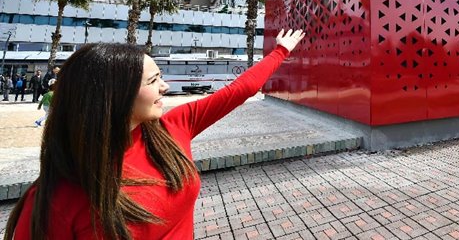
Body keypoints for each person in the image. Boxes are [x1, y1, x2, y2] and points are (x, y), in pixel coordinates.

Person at [4, 28, 305, 240]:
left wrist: (281, 50)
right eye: (153, 80)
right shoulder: (55, 199)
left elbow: (240, 89)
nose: (165, 87)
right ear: (114, 96)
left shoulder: (174, 127)